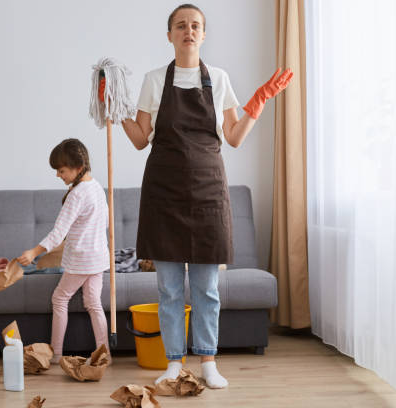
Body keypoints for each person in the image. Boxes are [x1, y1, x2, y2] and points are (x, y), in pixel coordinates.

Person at [120, 4, 292, 388]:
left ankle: (208, 361)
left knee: (206, 289)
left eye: (195, 25)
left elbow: (233, 136)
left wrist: (258, 103)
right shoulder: (153, 80)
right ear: (169, 35)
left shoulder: (218, 78)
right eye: (181, 25)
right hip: (163, 193)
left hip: (207, 192)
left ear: (203, 33)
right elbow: (138, 139)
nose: (189, 31)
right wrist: (115, 109)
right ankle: (172, 362)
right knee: (167, 288)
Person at [18, 138, 110, 364]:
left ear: (78, 168)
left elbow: (58, 232)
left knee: (59, 298)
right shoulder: (96, 187)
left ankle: (57, 354)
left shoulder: (77, 195)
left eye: (61, 170)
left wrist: (33, 252)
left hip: (81, 259)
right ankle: (104, 354)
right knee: (93, 303)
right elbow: (106, 223)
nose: (58, 175)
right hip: (99, 257)